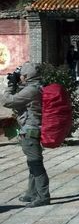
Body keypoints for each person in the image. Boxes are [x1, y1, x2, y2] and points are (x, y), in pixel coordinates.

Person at [2, 62, 49, 207]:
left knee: (36, 163)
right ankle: (32, 193)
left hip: (30, 130)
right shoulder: (37, 87)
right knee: (32, 162)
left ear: (27, 76)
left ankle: (43, 196)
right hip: (34, 128)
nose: (20, 76)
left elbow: (7, 101)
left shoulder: (31, 90)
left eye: (21, 74)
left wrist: (10, 86)